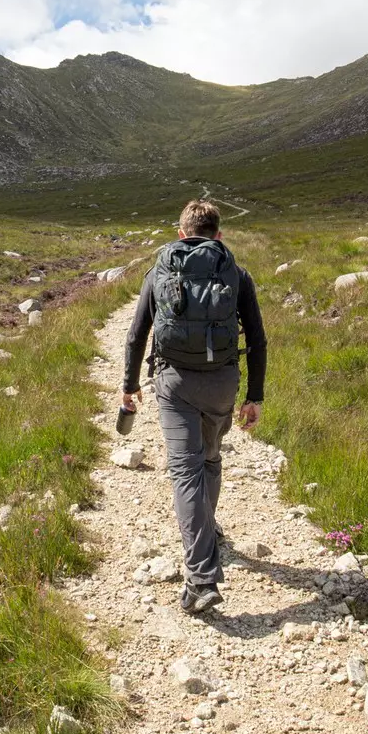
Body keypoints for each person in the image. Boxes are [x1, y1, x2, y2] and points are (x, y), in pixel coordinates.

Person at [121, 198, 266, 615]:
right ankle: (209, 529)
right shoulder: (237, 274)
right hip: (222, 383)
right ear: (218, 235)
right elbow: (257, 340)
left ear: (181, 234)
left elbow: (136, 335)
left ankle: (202, 578)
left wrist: (129, 386)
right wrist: (254, 396)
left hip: (174, 382)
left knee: (185, 470)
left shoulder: (161, 270)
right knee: (210, 458)